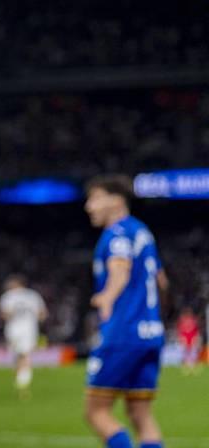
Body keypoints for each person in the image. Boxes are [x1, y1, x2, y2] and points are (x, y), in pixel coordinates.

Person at [83, 174, 168, 448]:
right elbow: (162, 281)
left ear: (117, 200)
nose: (89, 206)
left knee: (96, 411)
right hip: (151, 332)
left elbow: (120, 270)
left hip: (123, 332)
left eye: (95, 198)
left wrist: (106, 297)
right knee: (141, 414)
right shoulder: (142, 232)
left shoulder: (116, 234)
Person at [0, 274, 47, 396]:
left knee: (18, 355)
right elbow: (42, 314)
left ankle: (21, 382)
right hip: (29, 330)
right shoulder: (33, 295)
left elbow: (4, 315)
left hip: (13, 330)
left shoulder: (8, 296)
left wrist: (15, 314)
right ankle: (23, 380)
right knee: (25, 354)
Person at [175, 307, 201, 375]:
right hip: (185, 340)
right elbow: (180, 331)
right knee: (185, 354)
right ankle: (185, 368)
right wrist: (181, 338)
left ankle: (193, 368)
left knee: (193, 354)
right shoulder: (182, 321)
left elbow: (196, 331)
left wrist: (195, 338)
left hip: (192, 340)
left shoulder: (193, 321)